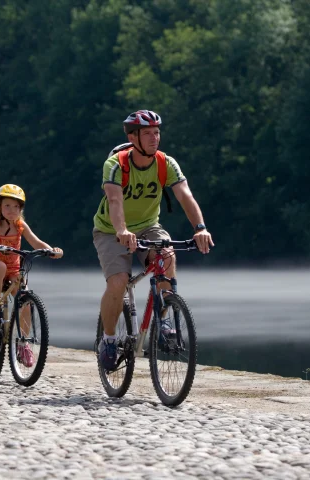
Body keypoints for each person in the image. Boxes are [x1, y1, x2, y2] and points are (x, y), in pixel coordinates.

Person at [93, 110, 214, 370]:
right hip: (110, 229)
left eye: (157, 132)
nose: (154, 138)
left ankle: (164, 321)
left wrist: (200, 228)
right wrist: (123, 231)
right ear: (132, 137)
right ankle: (110, 339)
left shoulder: (166, 163)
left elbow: (185, 196)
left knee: (167, 254)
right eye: (148, 133)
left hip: (148, 226)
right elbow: (115, 201)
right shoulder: (116, 164)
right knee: (118, 282)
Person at [0, 184, 63, 366]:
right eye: (7, 206)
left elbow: (36, 241)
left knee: (25, 300)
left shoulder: (21, 226)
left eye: (16, 207)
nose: (12, 210)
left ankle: (23, 343)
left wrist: (51, 250)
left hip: (13, 269)